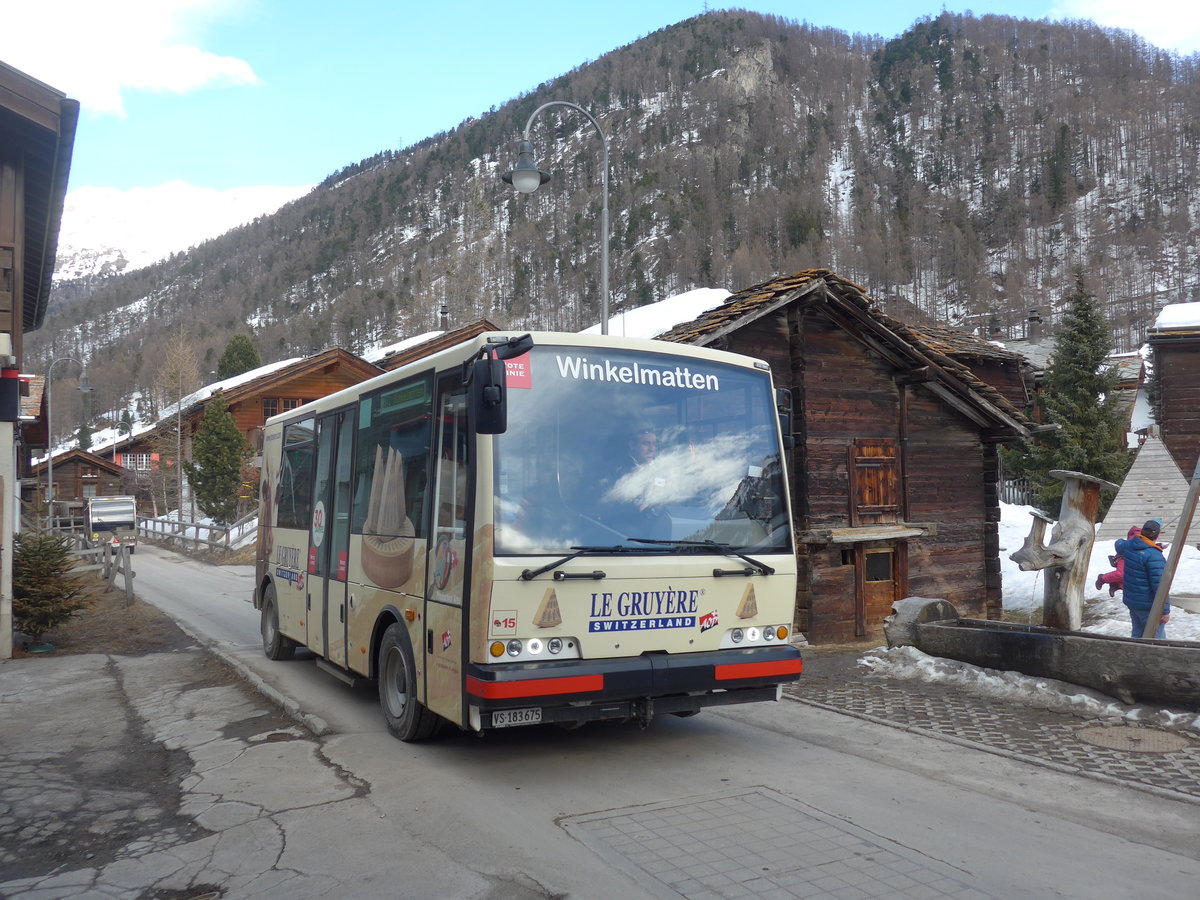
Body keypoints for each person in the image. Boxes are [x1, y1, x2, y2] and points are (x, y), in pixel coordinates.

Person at [1115, 518, 1170, 639]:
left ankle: (1135, 656)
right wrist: (1165, 610)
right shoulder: (1154, 555)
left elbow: (1118, 544)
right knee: (1156, 639)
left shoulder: (1130, 545)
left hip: (1133, 602)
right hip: (1148, 606)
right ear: (1157, 534)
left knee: (1137, 635)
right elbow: (1160, 585)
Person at [1094, 525, 1140, 596]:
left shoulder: (1141, 536)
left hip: (1131, 557)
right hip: (1124, 557)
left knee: (1130, 576)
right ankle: (1102, 578)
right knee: (1121, 574)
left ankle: (1116, 584)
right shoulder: (1137, 537)